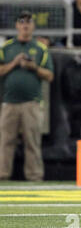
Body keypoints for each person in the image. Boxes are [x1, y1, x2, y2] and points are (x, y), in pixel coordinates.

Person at [0, 11, 54, 181]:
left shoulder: (40, 48)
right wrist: (14, 63)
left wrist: (34, 68)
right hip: (9, 102)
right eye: (22, 22)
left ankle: (34, 176)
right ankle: (2, 175)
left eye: (28, 22)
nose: (25, 25)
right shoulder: (6, 47)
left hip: (32, 102)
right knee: (5, 141)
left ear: (33, 26)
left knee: (32, 142)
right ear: (17, 25)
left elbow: (50, 76)